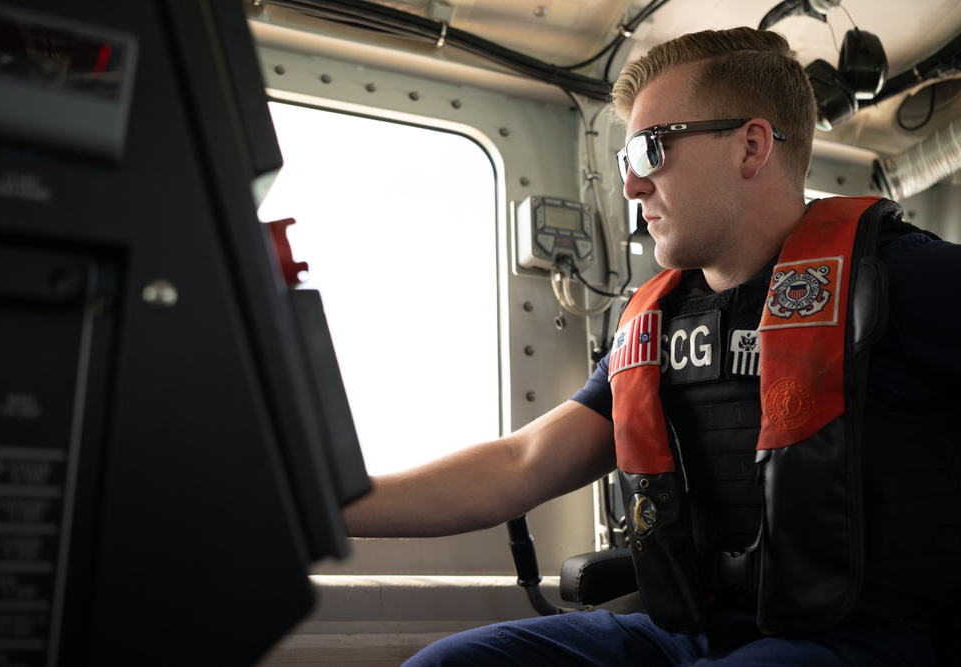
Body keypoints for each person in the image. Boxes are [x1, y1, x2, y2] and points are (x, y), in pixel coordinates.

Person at [343, 26, 961, 666]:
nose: (632, 186)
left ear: (751, 148)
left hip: (870, 640)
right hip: (686, 632)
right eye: (624, 162)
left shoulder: (905, 279)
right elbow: (520, 464)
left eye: (650, 151)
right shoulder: (657, 324)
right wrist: (316, 510)